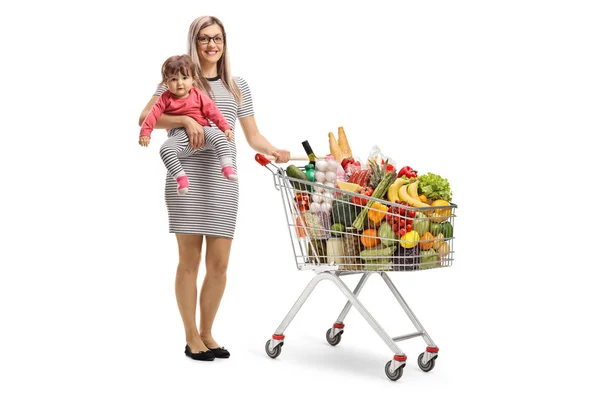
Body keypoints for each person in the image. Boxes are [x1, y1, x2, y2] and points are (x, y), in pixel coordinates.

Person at [138, 16, 290, 361]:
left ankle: (208, 332)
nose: (211, 45)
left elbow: (252, 136)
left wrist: (273, 149)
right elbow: (146, 117)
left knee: (219, 264)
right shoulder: (179, 78)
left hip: (223, 178)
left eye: (217, 38)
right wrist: (186, 119)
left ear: (224, 43)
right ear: (195, 42)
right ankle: (191, 336)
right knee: (189, 260)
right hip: (186, 177)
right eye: (204, 38)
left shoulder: (238, 86)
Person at [140, 54, 238, 195]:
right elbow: (152, 115)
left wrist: (225, 127)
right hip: (180, 136)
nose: (180, 83)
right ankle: (181, 178)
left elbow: (213, 111)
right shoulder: (165, 98)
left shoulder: (197, 94)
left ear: (193, 80)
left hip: (203, 131)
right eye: (174, 79)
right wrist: (145, 133)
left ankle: (227, 168)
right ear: (166, 82)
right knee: (165, 150)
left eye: (184, 78)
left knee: (220, 138)